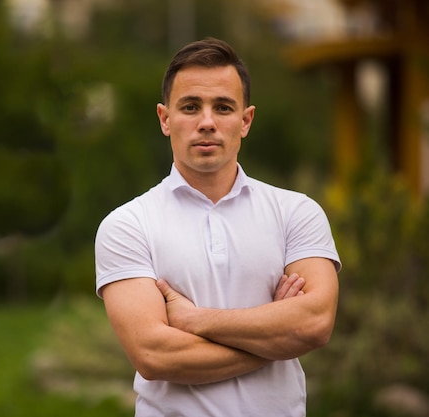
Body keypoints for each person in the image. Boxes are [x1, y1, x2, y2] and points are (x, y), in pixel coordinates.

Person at [94, 37, 341, 417]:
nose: (206, 122)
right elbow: (154, 354)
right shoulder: (127, 225)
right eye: (190, 107)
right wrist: (276, 337)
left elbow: (315, 324)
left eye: (223, 107)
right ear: (165, 119)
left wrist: (196, 320)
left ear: (246, 121)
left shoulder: (297, 212)